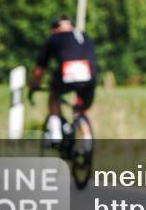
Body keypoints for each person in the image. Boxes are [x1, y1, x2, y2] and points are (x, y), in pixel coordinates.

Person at [30, 15, 98, 144]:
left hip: (69, 72)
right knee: (81, 109)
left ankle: (55, 131)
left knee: (54, 94)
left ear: (55, 28)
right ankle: (87, 139)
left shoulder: (54, 38)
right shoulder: (85, 37)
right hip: (90, 75)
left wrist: (35, 84)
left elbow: (40, 68)